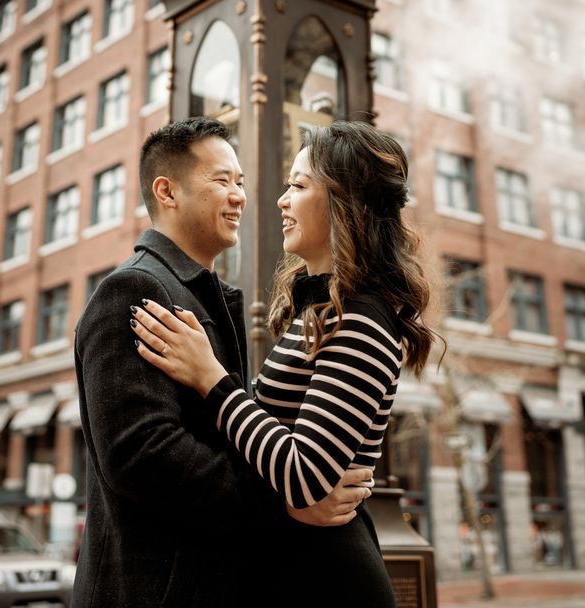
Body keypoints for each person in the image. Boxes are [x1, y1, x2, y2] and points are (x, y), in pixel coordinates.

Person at [132, 120, 439, 604]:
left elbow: (303, 474)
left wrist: (212, 378)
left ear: (343, 202)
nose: (279, 200)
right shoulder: (321, 312)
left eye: (297, 185)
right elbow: (282, 461)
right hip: (296, 567)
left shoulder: (362, 317)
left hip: (329, 578)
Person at [72, 116, 372, 608]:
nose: (240, 196)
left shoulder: (216, 301)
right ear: (166, 192)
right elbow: (142, 454)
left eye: (241, 182)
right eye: (221, 181)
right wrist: (286, 502)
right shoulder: (134, 289)